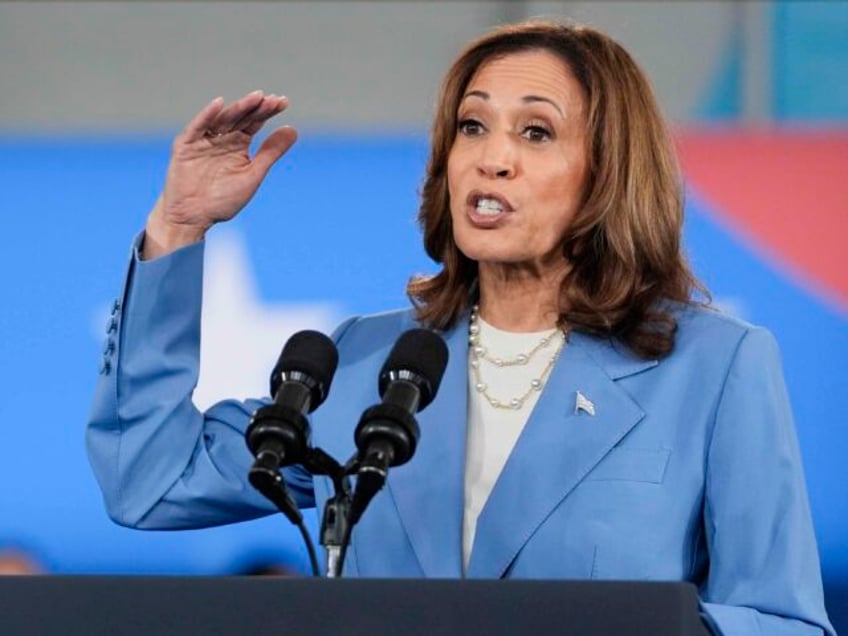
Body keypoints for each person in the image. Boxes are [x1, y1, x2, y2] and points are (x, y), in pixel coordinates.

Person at [86, 20, 834, 635]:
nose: (492, 159)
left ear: (608, 171)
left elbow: (783, 620)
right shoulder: (367, 364)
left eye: (537, 133)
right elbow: (149, 478)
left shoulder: (713, 365)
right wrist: (177, 230)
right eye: (472, 126)